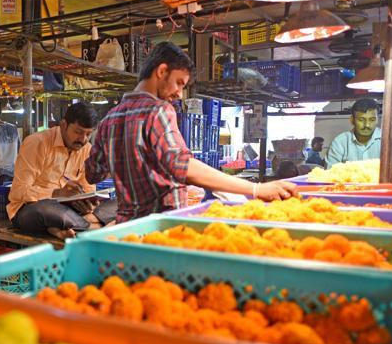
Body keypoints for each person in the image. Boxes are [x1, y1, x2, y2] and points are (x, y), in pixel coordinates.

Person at [86, 41, 298, 222]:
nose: (179, 93)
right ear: (161, 72)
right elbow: (182, 166)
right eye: (178, 83)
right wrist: (256, 190)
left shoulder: (108, 120)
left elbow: (94, 173)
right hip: (162, 228)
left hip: (128, 227)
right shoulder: (158, 110)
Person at [9, 103, 116, 240]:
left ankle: (66, 228)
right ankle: (95, 227)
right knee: (46, 209)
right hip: (31, 209)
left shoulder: (87, 149)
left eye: (88, 134)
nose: (83, 139)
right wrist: (56, 193)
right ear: (63, 125)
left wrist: (89, 205)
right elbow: (18, 191)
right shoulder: (37, 143)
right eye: (78, 132)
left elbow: (88, 188)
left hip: (70, 212)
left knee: (121, 204)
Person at [326, 98, 381, 167]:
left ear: (377, 120)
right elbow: (330, 174)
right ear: (352, 120)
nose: (367, 125)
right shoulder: (339, 143)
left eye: (372, 120)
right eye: (361, 120)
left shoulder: (388, 141)